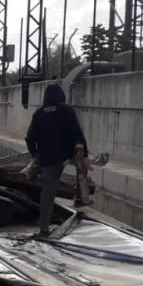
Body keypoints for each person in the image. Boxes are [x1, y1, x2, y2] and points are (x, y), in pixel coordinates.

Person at [25, 84, 89, 237]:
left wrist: (35, 155)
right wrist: (84, 153)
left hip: (48, 158)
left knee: (47, 193)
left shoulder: (39, 114)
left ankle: (44, 229)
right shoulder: (66, 110)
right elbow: (77, 133)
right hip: (68, 154)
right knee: (82, 177)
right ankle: (81, 201)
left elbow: (29, 138)